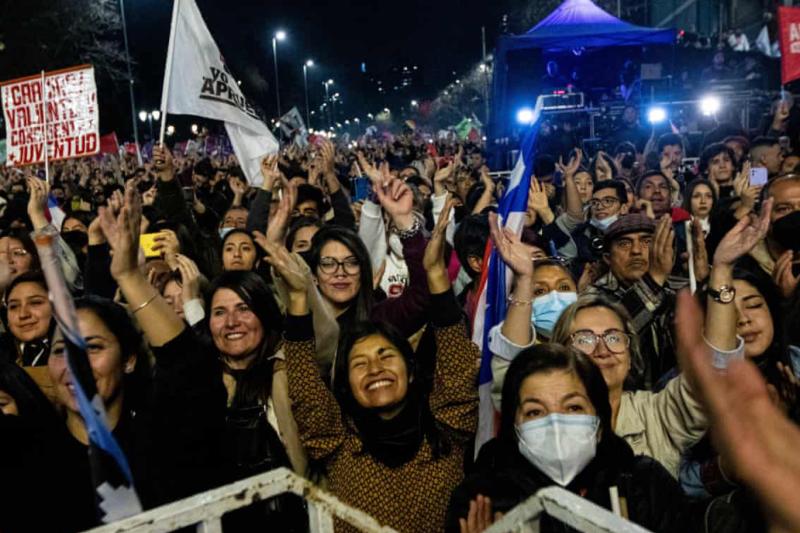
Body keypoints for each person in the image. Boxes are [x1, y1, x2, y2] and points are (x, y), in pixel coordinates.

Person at [269, 201, 478, 532]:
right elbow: (306, 384)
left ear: (410, 371)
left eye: (385, 355)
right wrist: (298, 300)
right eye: (359, 363)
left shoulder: (447, 430)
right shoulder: (337, 443)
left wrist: (436, 274)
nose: (375, 368)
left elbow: (456, 367)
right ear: (345, 385)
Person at [448, 343, 697, 533]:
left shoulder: (645, 484)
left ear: (599, 420)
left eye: (573, 408)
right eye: (535, 411)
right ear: (514, 426)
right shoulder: (480, 501)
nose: (555, 424)